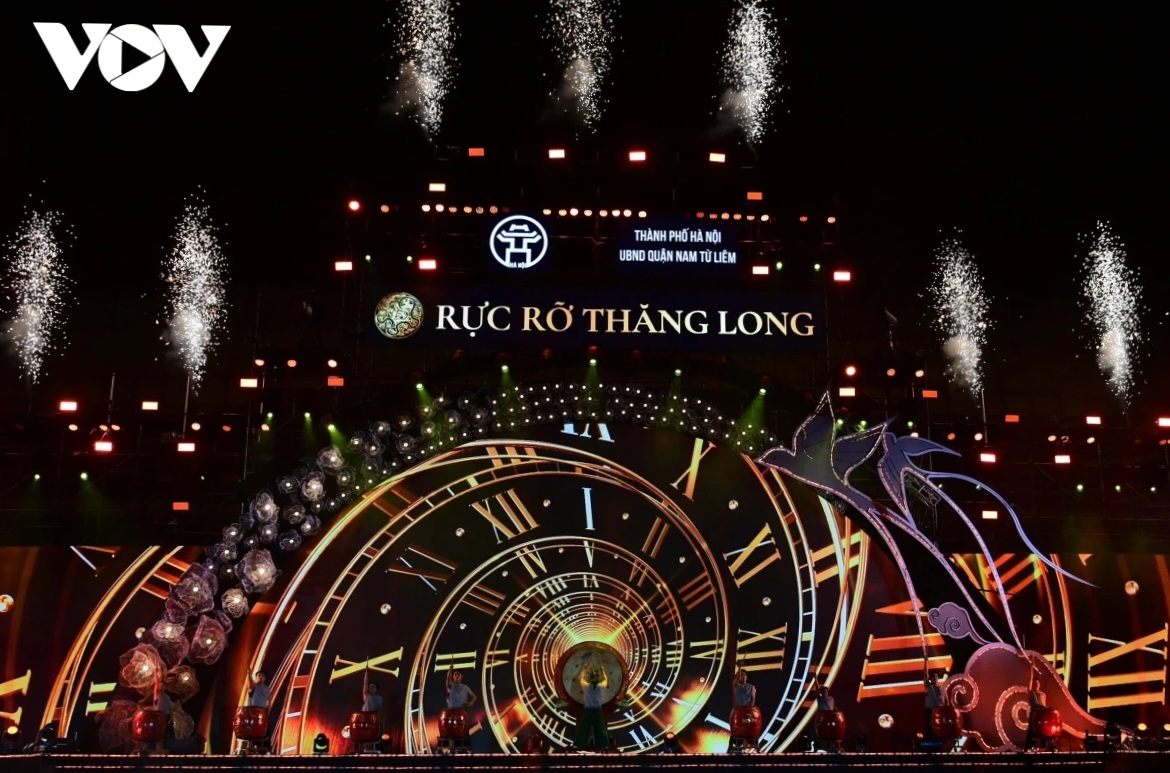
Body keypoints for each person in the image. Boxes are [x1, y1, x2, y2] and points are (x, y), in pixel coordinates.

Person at [572, 655, 609, 751]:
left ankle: (579, 745)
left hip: (588, 711)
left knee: (583, 729)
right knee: (600, 729)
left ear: (590, 679)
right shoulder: (601, 687)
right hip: (597, 711)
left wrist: (584, 669)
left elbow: (582, 678)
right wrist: (602, 670)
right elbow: (606, 679)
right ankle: (604, 746)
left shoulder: (587, 687)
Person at [1024, 675, 1047, 750]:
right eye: (1034, 683)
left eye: (1037, 683)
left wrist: (1045, 710)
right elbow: (1035, 704)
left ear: (1039, 684)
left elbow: (1044, 704)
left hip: (1042, 714)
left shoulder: (1043, 694)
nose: (1036, 684)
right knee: (1031, 730)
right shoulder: (1032, 693)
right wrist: (1031, 671)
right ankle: (1028, 747)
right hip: (1034, 713)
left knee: (1044, 730)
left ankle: (1044, 746)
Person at [924, 672, 946, 738]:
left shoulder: (942, 688)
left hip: (940, 710)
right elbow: (925, 676)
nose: (935, 678)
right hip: (930, 710)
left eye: (936, 676)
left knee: (941, 726)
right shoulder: (929, 687)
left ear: (938, 678)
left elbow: (945, 698)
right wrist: (926, 665)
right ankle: (929, 739)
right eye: (933, 676)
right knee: (930, 726)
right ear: (931, 679)